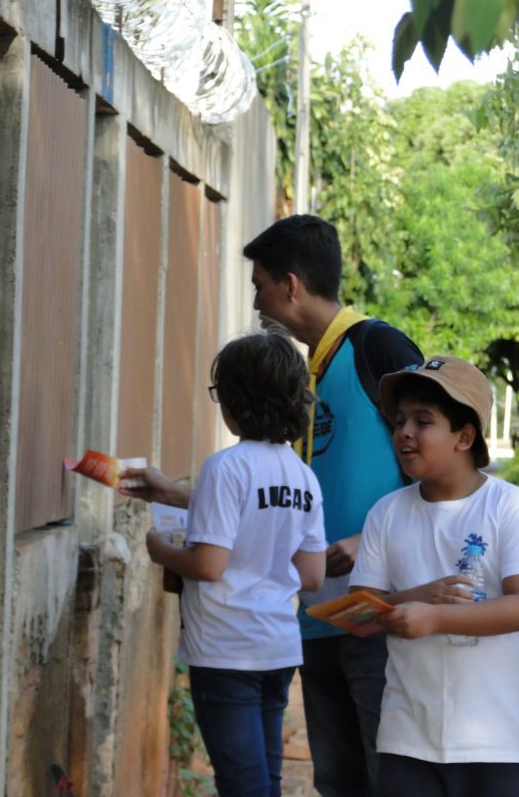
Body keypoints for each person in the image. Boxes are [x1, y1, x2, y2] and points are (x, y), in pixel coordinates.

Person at [241, 215, 423, 797]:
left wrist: (372, 544)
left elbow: (443, 471)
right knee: (338, 780)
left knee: (388, 774)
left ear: (291, 285)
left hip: (379, 615)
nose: (255, 301)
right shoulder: (302, 371)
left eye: (260, 284)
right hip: (317, 618)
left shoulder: (378, 346)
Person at [122, 330, 327, 797]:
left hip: (226, 649)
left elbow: (210, 565)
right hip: (277, 648)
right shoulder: (304, 477)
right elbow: (312, 576)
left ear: (235, 401)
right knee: (263, 783)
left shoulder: (226, 467)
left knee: (242, 786)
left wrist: (161, 549)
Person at [349, 355, 519, 797]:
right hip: (407, 739)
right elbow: (358, 616)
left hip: (498, 740)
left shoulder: (507, 507)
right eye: (400, 419)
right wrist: (418, 597)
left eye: (423, 421)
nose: (404, 432)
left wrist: (436, 618)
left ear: (465, 436)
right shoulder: (386, 513)